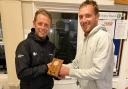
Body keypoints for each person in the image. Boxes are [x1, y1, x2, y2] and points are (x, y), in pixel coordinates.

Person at [59, 1, 114, 89]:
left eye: (88, 16)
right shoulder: (83, 40)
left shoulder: (103, 37)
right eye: (81, 17)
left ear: (97, 17)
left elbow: (98, 72)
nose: (83, 20)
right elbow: (76, 64)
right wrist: (59, 67)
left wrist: (69, 72)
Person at [15, 8, 55, 89]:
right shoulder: (24, 45)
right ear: (34, 24)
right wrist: (46, 67)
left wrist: (58, 75)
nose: (43, 28)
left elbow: (52, 70)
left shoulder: (51, 46)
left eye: (46, 25)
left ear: (49, 27)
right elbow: (22, 74)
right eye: (40, 23)